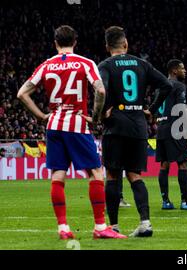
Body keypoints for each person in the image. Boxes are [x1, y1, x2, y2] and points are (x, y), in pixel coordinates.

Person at [16, 25, 126, 239]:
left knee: (58, 174)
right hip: (76, 124)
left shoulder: (46, 65)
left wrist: (40, 116)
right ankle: (101, 227)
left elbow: (22, 93)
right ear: (75, 42)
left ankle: (63, 228)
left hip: (54, 125)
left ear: (55, 43)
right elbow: (100, 90)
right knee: (95, 173)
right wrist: (94, 118)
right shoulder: (85, 63)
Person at [98, 26, 173, 237]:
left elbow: (101, 88)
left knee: (112, 175)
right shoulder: (142, 64)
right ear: (126, 43)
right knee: (135, 175)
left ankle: (113, 227)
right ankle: (145, 223)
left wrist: (102, 112)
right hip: (138, 126)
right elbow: (166, 85)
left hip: (115, 126)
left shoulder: (105, 65)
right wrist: (151, 109)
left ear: (107, 46)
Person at [156, 59, 187, 210]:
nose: (185, 71)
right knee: (183, 163)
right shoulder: (178, 86)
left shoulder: (159, 87)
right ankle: (185, 202)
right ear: (174, 71)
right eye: (182, 68)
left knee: (164, 165)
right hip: (175, 129)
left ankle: (166, 201)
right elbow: (181, 109)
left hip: (161, 128)